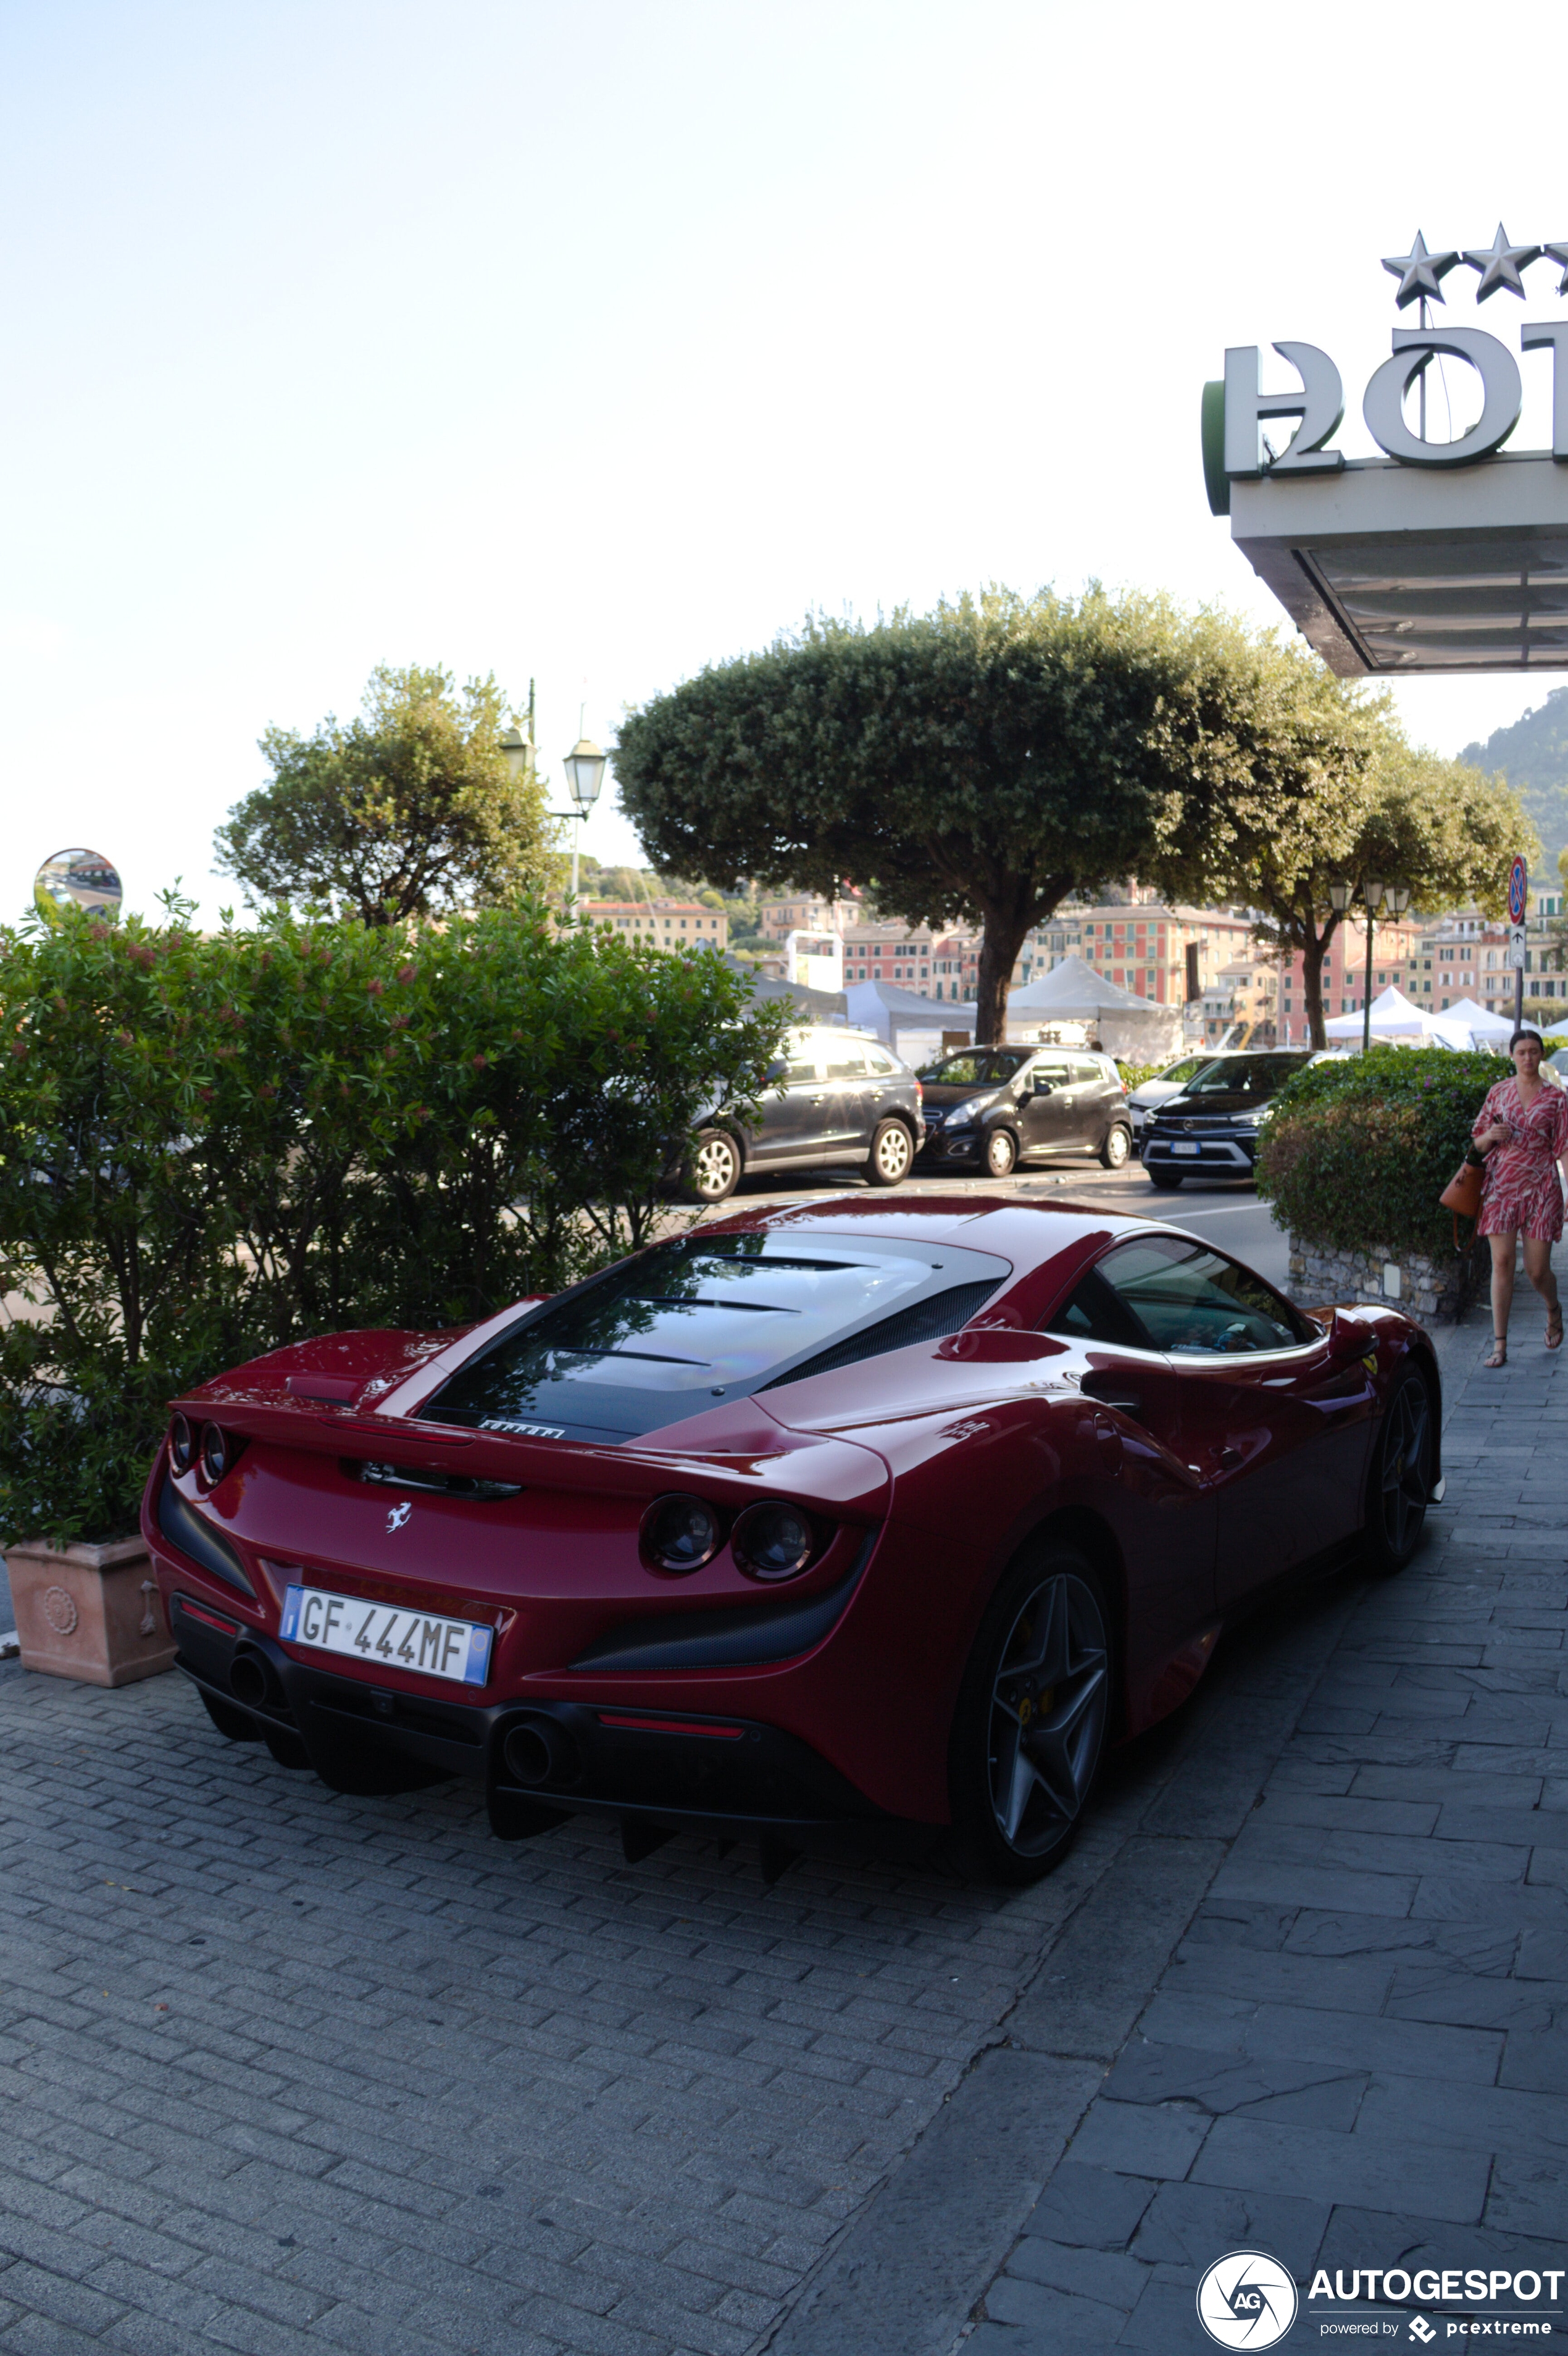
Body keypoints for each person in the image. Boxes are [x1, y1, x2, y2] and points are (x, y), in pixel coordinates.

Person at [1473, 1028, 1568, 1366]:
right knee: (1501, 1263)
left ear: (1541, 1055)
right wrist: (1490, 1135)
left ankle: (1553, 1309)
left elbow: (1565, 1149)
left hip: (1542, 1186)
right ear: (1512, 1056)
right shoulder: (1498, 1093)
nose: (1528, 1057)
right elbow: (1478, 1142)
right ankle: (1500, 1345)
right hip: (1502, 1185)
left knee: (1537, 1270)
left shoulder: (1557, 1099)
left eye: (1534, 1051)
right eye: (1522, 1052)